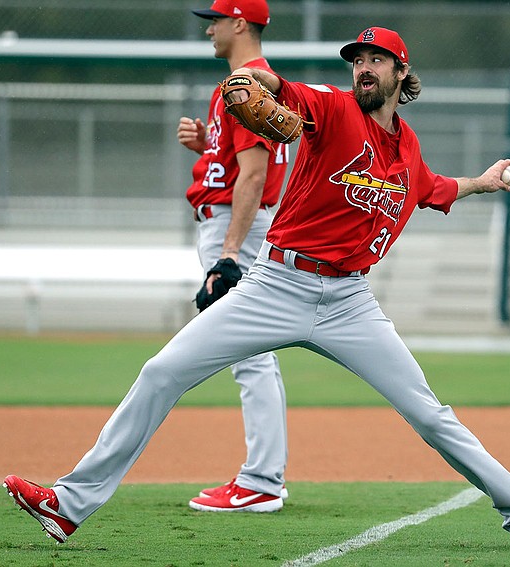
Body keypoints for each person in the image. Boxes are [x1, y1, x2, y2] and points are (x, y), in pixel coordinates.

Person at [3, 26, 510, 552]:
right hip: (276, 284)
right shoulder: (332, 107)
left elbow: (433, 188)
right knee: (162, 371)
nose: (363, 68)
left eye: (375, 60)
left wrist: (481, 182)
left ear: (400, 71)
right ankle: (69, 504)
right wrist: (247, 83)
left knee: (430, 413)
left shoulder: (406, 148)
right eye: (357, 60)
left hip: (349, 303)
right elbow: (277, 86)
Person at [175, 0, 290, 513]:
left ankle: (263, 481)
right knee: (249, 352)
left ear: (240, 23)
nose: (211, 30)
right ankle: (264, 477)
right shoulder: (249, 81)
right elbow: (239, 161)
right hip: (231, 222)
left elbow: (255, 173)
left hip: (234, 226)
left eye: (216, 21)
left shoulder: (247, 83)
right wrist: (207, 146)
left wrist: (227, 253)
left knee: (249, 355)